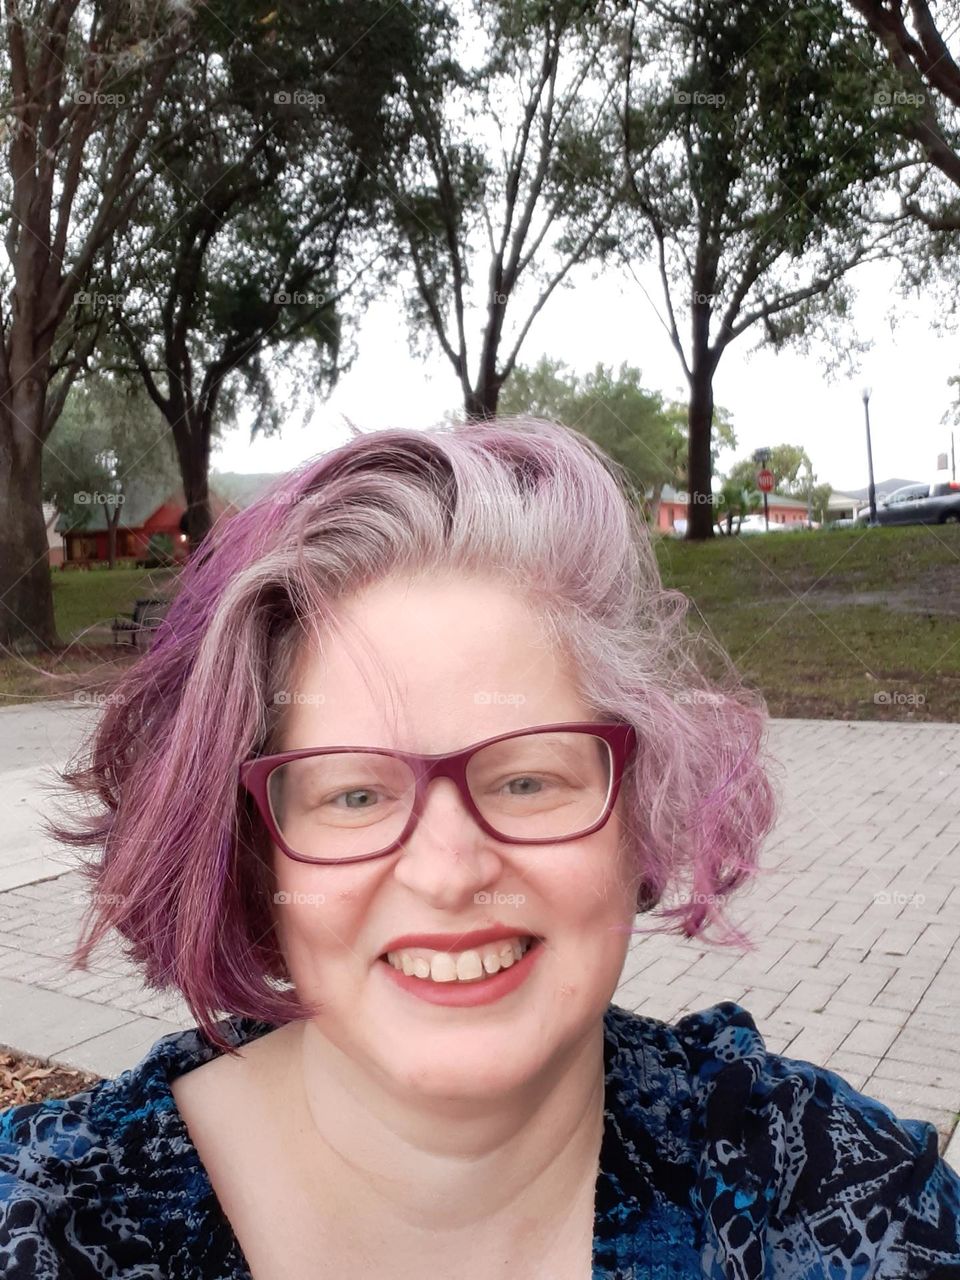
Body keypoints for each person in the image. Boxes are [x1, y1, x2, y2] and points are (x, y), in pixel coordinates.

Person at [1, 416, 958, 1280]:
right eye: (356, 793)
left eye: (528, 780)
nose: (450, 873)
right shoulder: (48, 1222)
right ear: (257, 854)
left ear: (642, 811)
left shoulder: (845, 1207)